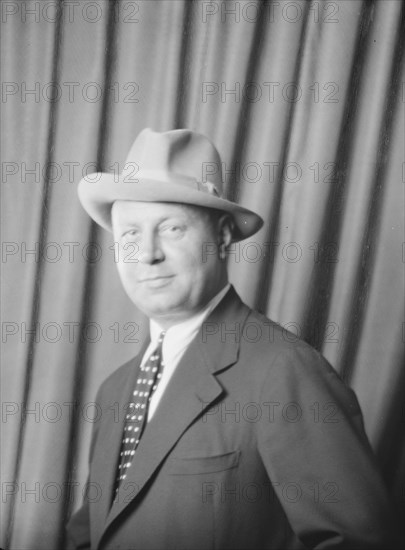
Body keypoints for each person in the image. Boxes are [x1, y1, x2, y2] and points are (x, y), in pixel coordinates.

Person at [66, 128, 394, 550]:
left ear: (222, 237)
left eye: (171, 229)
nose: (146, 253)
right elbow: (89, 536)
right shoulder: (115, 390)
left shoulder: (283, 371)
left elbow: (359, 542)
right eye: (129, 234)